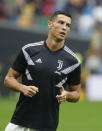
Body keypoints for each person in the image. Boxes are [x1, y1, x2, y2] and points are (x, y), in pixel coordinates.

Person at [4, 10, 81, 131]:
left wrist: (67, 95)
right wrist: (23, 88)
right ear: (50, 24)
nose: (64, 27)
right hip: (20, 121)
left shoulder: (73, 61)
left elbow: (76, 94)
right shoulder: (29, 50)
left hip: (47, 125)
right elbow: (8, 79)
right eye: (61, 23)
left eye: (68, 25)